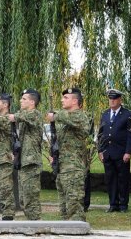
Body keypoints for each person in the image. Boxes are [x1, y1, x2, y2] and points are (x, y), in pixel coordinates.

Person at [46, 87, 90, 222]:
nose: (62, 100)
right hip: (62, 167)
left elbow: (68, 118)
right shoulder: (65, 122)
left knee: (74, 205)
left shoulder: (80, 116)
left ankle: (77, 230)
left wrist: (54, 115)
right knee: (64, 207)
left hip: (73, 169)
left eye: (66, 98)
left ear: (75, 101)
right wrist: (53, 155)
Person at [97, 88, 131, 213]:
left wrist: (128, 152)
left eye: (114, 99)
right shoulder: (105, 114)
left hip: (121, 153)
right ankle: (113, 204)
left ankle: (123, 205)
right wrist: (100, 151)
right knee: (110, 179)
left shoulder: (128, 114)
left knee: (123, 179)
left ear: (120, 100)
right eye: (110, 99)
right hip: (108, 153)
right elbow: (101, 134)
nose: (112, 101)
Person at [8, 88, 43, 220]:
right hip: (23, 161)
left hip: (31, 162)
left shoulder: (35, 114)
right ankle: (33, 223)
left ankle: (36, 225)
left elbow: (18, 117)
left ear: (32, 102)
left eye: (24, 99)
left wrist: (12, 116)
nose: (20, 101)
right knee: (23, 198)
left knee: (31, 197)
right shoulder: (24, 117)